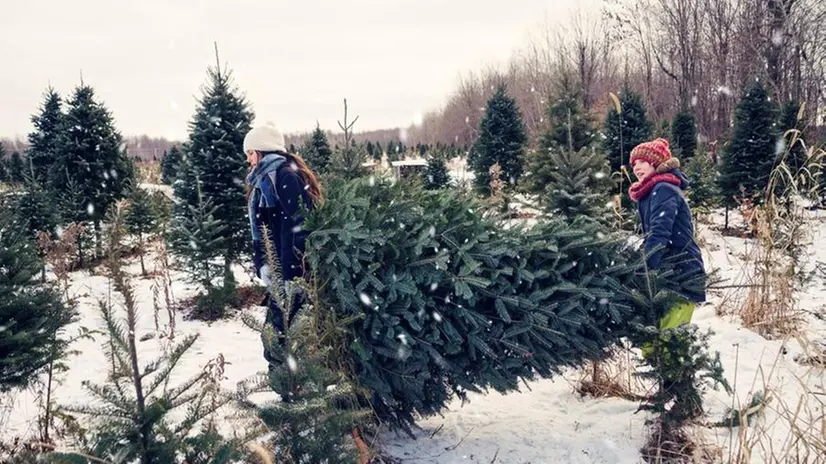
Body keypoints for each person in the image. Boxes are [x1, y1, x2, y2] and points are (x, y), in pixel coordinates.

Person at [244, 122, 323, 340]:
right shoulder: (263, 182)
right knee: (276, 337)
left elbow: (296, 230)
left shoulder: (286, 177)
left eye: (250, 153)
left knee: (285, 337)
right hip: (279, 274)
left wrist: (292, 278)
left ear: (262, 152)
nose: (248, 159)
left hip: (292, 276)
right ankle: (281, 370)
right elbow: (262, 230)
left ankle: (287, 371)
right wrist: (263, 263)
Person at [628, 138, 705, 348]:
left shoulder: (664, 188)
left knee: (670, 345)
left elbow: (660, 233)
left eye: (642, 162)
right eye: (634, 164)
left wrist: (642, 270)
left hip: (681, 273)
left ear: (655, 163)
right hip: (666, 273)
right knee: (651, 345)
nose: (636, 167)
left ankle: (678, 381)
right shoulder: (649, 192)